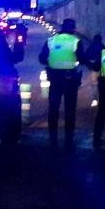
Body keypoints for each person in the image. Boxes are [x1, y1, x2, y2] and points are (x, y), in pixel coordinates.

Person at [38, 18, 85, 150]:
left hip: (55, 78)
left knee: (53, 108)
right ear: (73, 29)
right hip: (70, 79)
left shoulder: (51, 40)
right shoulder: (76, 41)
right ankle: (69, 139)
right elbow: (82, 58)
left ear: (62, 27)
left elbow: (42, 58)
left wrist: (51, 62)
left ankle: (52, 137)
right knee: (70, 109)